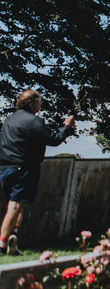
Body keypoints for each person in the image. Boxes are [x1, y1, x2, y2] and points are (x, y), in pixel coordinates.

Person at [0, 90, 75, 255]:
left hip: (5, 168)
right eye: (39, 102)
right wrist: (67, 127)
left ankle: (13, 237)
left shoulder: (9, 120)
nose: (40, 105)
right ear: (33, 103)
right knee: (16, 205)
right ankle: (2, 245)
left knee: (15, 205)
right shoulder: (34, 121)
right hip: (23, 167)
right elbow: (54, 139)